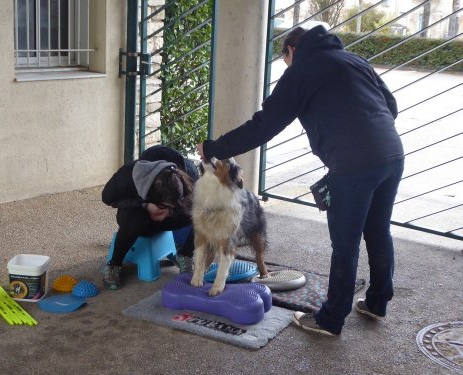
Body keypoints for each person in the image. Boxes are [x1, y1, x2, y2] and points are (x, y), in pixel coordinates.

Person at [196, 26, 404, 336]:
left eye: (285, 62)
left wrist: (213, 149)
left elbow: (264, 126)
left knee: (345, 245)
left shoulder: (302, 70)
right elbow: (392, 107)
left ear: (291, 51)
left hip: (352, 163)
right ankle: (376, 302)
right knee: (377, 230)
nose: (287, 68)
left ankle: (331, 320)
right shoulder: (356, 60)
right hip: (392, 154)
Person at [102, 145, 199, 290]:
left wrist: (169, 211)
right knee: (135, 220)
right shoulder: (130, 174)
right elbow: (107, 198)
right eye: (163, 205)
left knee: (203, 213)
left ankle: (185, 254)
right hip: (137, 216)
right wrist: (144, 205)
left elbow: (197, 204)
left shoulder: (188, 172)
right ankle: (114, 264)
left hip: (169, 218)